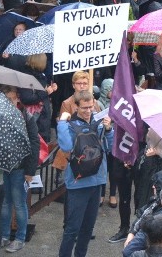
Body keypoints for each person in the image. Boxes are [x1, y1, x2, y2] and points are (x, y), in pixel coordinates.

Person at [57, 90, 114, 257]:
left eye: (91, 107)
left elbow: (109, 148)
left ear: (94, 102)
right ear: (76, 106)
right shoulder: (70, 125)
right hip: (78, 183)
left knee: (88, 228)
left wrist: (109, 130)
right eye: (84, 108)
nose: (88, 111)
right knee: (72, 229)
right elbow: (66, 147)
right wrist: (61, 121)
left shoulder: (100, 123)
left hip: (97, 181)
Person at [0, 86, 41, 253]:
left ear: (17, 98)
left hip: (20, 168)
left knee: (19, 203)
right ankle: (4, 235)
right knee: (5, 203)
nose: (8, 103)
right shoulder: (0, 115)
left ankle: (20, 238)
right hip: (3, 166)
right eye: (5, 100)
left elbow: (34, 143)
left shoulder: (26, 117)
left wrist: (30, 171)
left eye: (10, 99)